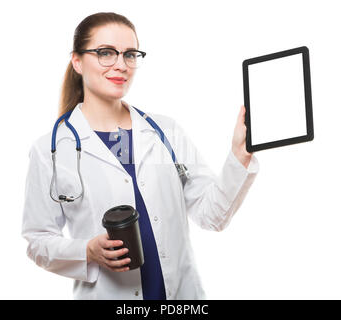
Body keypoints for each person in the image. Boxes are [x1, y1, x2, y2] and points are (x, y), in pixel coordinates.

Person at [21, 12, 260, 300]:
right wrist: (86, 251)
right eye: (105, 53)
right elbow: (37, 241)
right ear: (77, 61)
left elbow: (213, 216)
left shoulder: (166, 131)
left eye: (130, 54)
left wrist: (239, 156)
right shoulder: (51, 150)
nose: (121, 65)